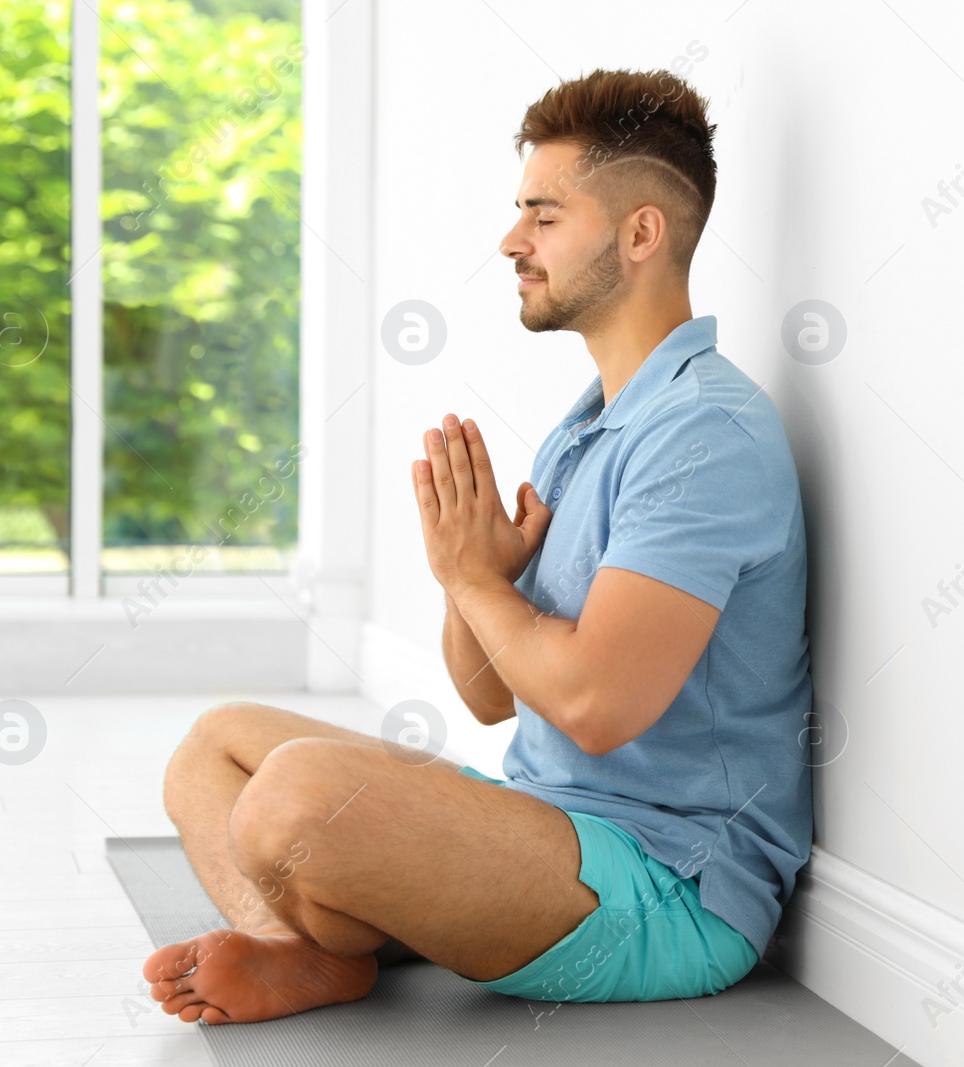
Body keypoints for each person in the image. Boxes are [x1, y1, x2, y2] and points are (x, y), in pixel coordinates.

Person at [143, 66, 813, 1025]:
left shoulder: (704, 435)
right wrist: (473, 579)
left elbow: (592, 703)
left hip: (668, 887)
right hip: (544, 825)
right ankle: (304, 952)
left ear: (639, 234)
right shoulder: (591, 429)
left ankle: (344, 920)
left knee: (293, 795)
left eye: (544, 215)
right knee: (214, 748)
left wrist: (470, 575)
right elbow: (492, 693)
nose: (512, 241)